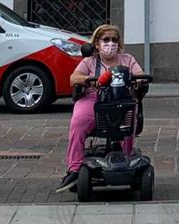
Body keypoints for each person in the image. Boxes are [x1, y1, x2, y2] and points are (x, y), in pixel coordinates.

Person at [58, 23, 143, 192]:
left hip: (119, 98)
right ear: (97, 43)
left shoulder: (127, 59)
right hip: (94, 99)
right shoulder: (89, 61)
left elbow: (140, 74)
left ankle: (127, 158)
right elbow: (74, 78)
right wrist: (88, 80)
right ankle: (74, 168)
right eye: (106, 40)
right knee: (78, 122)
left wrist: (139, 80)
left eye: (114, 40)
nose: (111, 43)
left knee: (128, 119)